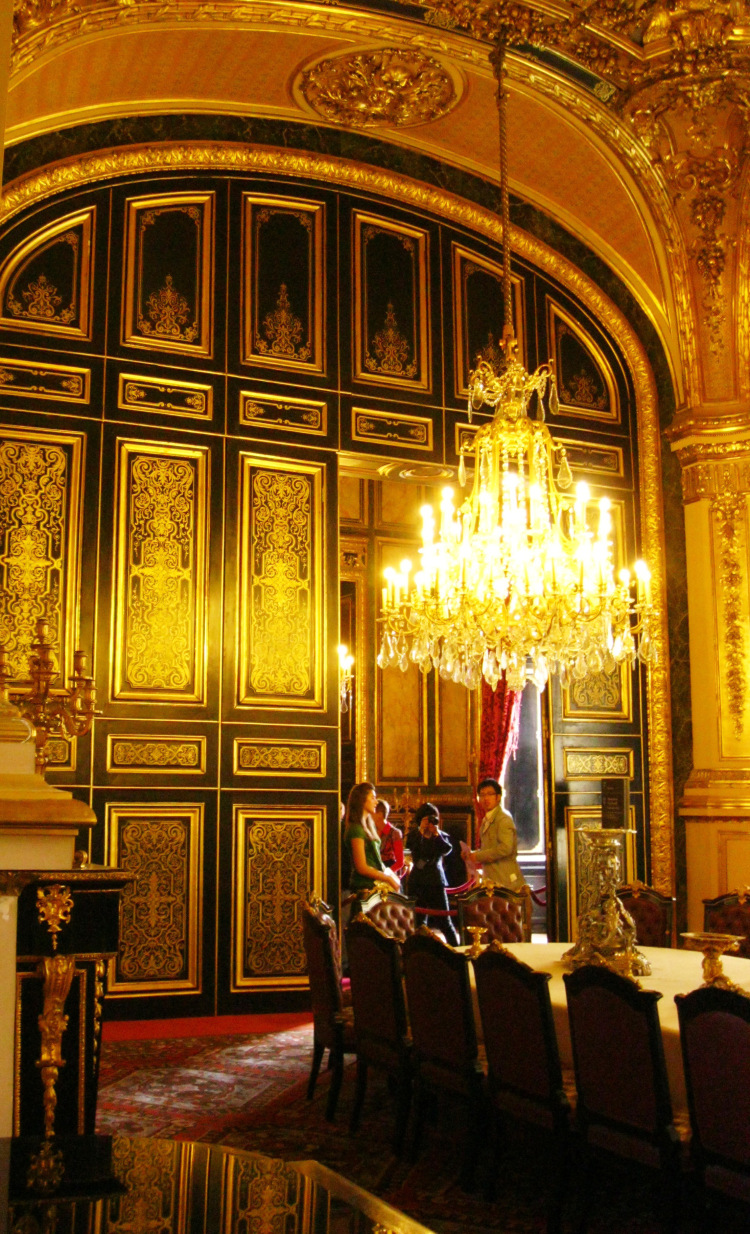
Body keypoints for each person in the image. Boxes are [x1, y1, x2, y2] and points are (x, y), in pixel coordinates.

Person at [406, 802, 459, 945]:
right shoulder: (414, 836)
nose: (430, 822)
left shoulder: (441, 836)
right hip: (417, 882)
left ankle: (457, 952)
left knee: (445, 923)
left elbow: (447, 849)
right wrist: (421, 833)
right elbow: (411, 847)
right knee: (418, 923)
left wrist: (436, 834)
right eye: (426, 819)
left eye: (433, 818)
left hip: (436, 881)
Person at [463, 778, 523, 889]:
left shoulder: (503, 819)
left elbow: (505, 848)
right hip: (492, 880)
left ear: (498, 797)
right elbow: (489, 848)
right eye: (482, 795)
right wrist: (471, 854)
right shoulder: (487, 819)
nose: (486, 798)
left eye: (490, 794)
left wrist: (478, 856)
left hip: (506, 881)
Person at [343, 782, 400, 895]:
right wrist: (387, 878)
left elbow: (377, 861)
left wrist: (391, 875)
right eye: (373, 798)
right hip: (365, 887)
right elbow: (362, 867)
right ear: (362, 800)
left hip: (375, 885)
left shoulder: (369, 826)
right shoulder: (356, 829)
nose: (376, 801)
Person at [373, 798, 406, 882]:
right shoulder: (371, 831)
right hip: (375, 872)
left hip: (389, 873)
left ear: (379, 814)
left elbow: (400, 862)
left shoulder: (394, 833)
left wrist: (385, 874)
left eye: (372, 812)